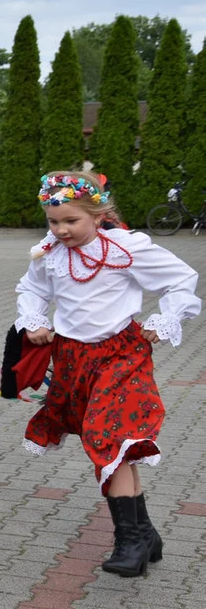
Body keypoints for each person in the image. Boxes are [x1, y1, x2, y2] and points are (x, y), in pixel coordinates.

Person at [16, 170, 200, 577]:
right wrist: (33, 320)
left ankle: (130, 542)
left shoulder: (124, 247)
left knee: (107, 436)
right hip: (72, 361)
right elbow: (31, 289)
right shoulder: (50, 252)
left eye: (70, 221)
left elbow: (182, 279)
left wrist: (165, 319)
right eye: (53, 220)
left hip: (121, 356)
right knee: (117, 446)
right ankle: (145, 534)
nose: (61, 230)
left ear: (98, 216)